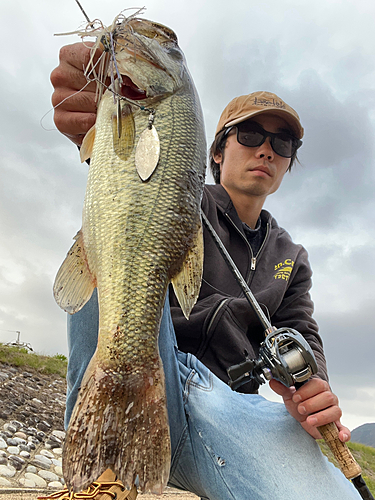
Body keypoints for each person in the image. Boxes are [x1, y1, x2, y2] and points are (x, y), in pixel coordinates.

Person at [48, 42, 360, 500]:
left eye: (282, 142)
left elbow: (301, 332)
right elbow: (134, 175)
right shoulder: (178, 193)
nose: (267, 150)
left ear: (289, 162)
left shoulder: (292, 255)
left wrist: (312, 388)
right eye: (250, 135)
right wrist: (100, 119)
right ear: (215, 153)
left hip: (232, 410)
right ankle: (105, 471)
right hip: (159, 376)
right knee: (117, 248)